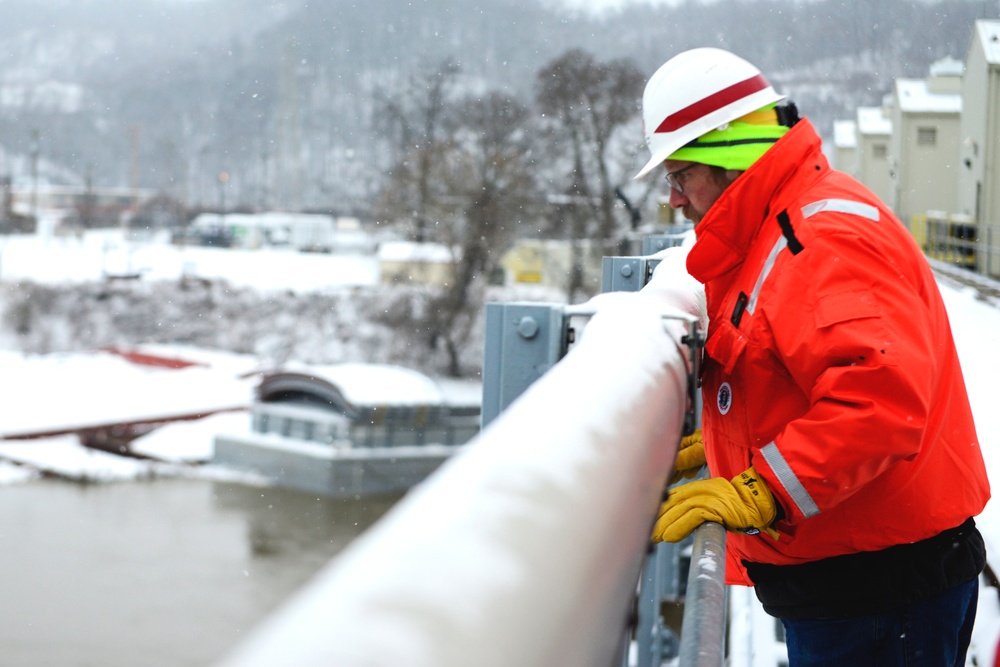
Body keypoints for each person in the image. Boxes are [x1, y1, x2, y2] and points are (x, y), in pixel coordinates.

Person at [635, 47, 990, 666]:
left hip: (880, 595)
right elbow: (791, 369)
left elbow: (879, 402)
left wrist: (763, 485)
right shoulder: (784, 228)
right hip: (861, 582)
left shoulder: (820, 240)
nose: (675, 199)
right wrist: (725, 449)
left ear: (726, 157)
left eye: (679, 173)